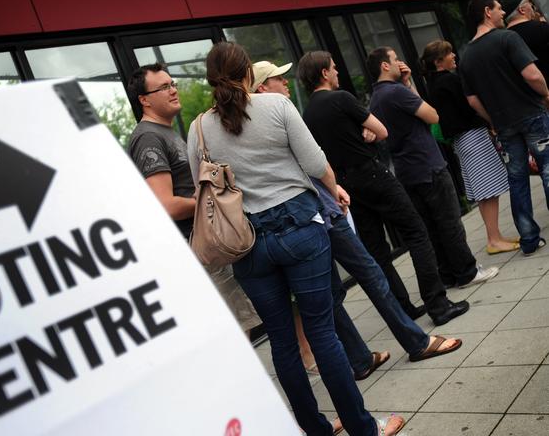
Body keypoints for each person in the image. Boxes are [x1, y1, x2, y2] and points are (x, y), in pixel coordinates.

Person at [188, 42, 404, 436]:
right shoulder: (276, 107)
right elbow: (315, 162)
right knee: (322, 332)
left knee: (283, 343)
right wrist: (334, 187)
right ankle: (363, 428)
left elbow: (201, 187)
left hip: (247, 243)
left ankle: (316, 430)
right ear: (247, 74)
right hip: (299, 226)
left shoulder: (199, 127)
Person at [254, 59, 463, 382]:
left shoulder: (285, 114)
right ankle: (423, 330)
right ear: (261, 88)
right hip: (325, 203)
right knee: (380, 263)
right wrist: (331, 184)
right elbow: (318, 159)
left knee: (336, 288)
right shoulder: (289, 110)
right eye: (278, 79)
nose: (285, 84)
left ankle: (361, 359)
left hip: (308, 210)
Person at [297, 50, 469, 326]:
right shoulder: (341, 98)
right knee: (416, 232)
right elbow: (382, 131)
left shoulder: (308, 114)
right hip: (372, 174)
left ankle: (404, 309)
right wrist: (367, 133)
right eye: (334, 67)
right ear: (324, 73)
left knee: (377, 250)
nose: (338, 71)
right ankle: (438, 304)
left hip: (345, 184)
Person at [127, 64, 260, 333]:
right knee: (232, 334)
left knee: (243, 328)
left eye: (172, 83)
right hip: (199, 249)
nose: (173, 90)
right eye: (163, 87)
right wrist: (212, 202)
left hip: (210, 246)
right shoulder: (148, 138)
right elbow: (166, 206)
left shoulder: (164, 130)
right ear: (144, 100)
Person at [366, 46, 499, 290]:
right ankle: (467, 272)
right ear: (385, 66)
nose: (400, 62)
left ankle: (447, 274)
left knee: (432, 227)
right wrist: (408, 85)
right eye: (395, 59)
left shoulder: (375, 98)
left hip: (406, 170)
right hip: (427, 164)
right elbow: (432, 115)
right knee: (448, 221)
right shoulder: (397, 91)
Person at [460, 0, 549, 255]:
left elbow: (473, 100)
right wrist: (545, 95)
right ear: (488, 12)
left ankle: (529, 239)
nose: (502, 13)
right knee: (547, 168)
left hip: (504, 124)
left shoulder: (467, 56)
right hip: (531, 114)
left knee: (517, 178)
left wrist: (493, 119)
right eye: (499, 9)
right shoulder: (508, 38)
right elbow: (531, 74)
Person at [420, 40, 519, 255]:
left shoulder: (434, 82)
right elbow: (470, 105)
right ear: (438, 61)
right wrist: (491, 121)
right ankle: (494, 238)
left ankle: (495, 236)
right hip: (472, 137)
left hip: (462, 141)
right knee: (489, 189)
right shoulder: (449, 80)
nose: (454, 55)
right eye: (448, 54)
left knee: (484, 190)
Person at [501, 0, 549, 82]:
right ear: (521, 10)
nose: (532, 6)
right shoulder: (542, 28)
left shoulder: (502, 39)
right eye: (529, 3)